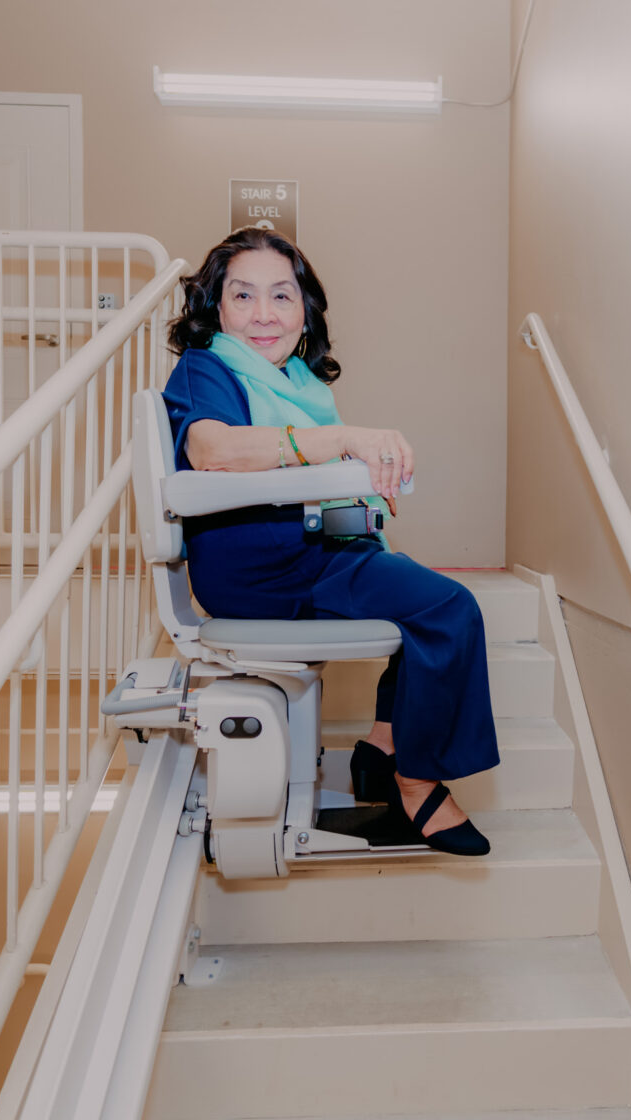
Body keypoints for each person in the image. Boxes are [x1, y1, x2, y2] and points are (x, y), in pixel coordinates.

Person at [161, 227, 498, 856]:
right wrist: (344, 440)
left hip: (312, 549)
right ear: (217, 308)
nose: (264, 314)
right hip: (263, 563)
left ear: (304, 311)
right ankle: (416, 781)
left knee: (423, 602)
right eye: (243, 296)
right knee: (449, 611)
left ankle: (380, 747)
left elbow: (304, 469)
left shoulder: (298, 383)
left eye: (282, 297)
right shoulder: (205, 366)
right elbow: (212, 450)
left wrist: (357, 489)